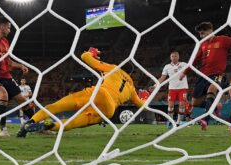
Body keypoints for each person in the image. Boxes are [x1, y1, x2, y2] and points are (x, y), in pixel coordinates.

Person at [17, 47, 145, 137]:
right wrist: (146, 97)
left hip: (98, 93)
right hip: (108, 108)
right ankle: (48, 126)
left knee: (55, 107)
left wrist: (92, 52)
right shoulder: (132, 87)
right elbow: (142, 106)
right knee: (73, 123)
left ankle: (28, 125)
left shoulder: (114, 68)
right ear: (132, 73)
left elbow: (85, 57)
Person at [150, 51, 188, 128]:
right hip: (172, 89)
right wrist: (155, 85)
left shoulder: (184, 64)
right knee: (170, 106)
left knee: (182, 105)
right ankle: (170, 122)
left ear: (178, 57)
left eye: (175, 56)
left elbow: (190, 69)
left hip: (182, 88)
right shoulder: (167, 66)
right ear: (170, 58)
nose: (174, 58)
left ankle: (178, 122)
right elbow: (162, 78)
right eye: (172, 56)